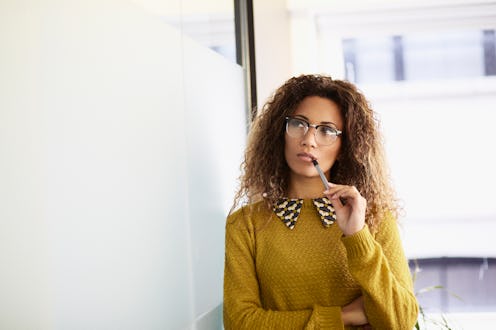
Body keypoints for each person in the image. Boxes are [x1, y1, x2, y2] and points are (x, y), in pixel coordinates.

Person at [223, 74, 419, 329]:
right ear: (279, 133)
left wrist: (357, 236)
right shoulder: (245, 224)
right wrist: (342, 316)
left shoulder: (371, 218)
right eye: (298, 124)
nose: (309, 140)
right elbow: (240, 323)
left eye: (326, 130)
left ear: (346, 147)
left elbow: (401, 320)